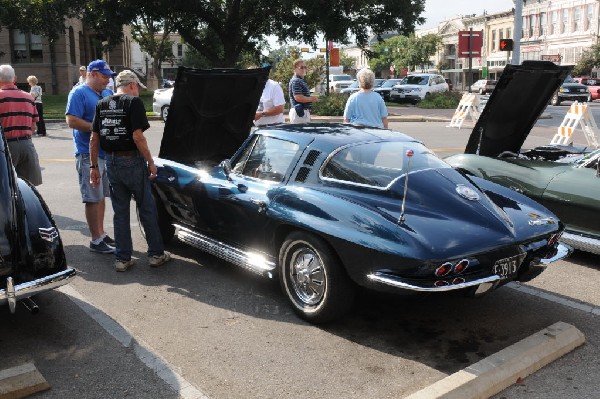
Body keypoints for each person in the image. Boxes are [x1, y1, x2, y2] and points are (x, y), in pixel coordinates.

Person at [90, 70, 171, 272]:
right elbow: (138, 137)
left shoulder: (102, 104)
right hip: (131, 161)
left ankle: (123, 258)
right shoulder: (133, 103)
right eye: (138, 88)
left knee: (120, 212)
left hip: (111, 162)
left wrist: (93, 167)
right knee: (146, 208)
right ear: (133, 85)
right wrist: (150, 162)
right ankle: (156, 255)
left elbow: (94, 139)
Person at [65, 59, 116, 254]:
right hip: (87, 153)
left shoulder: (106, 93)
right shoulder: (78, 93)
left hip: (104, 153)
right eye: (104, 76)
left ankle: (101, 234)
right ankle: (95, 240)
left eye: (109, 77)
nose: (107, 80)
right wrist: (96, 129)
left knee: (101, 195)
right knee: (92, 197)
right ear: (92, 74)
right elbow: (71, 120)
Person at [0, 64, 43, 186]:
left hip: (5, 147)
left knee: (6, 188)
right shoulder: (28, 97)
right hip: (27, 145)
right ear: (14, 79)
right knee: (28, 188)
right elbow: (34, 126)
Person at [288, 59, 319, 123]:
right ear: (295, 69)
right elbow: (298, 98)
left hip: (301, 113)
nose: (304, 69)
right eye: (301, 67)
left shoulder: (300, 80)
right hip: (299, 113)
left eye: (305, 67)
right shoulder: (296, 81)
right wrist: (312, 99)